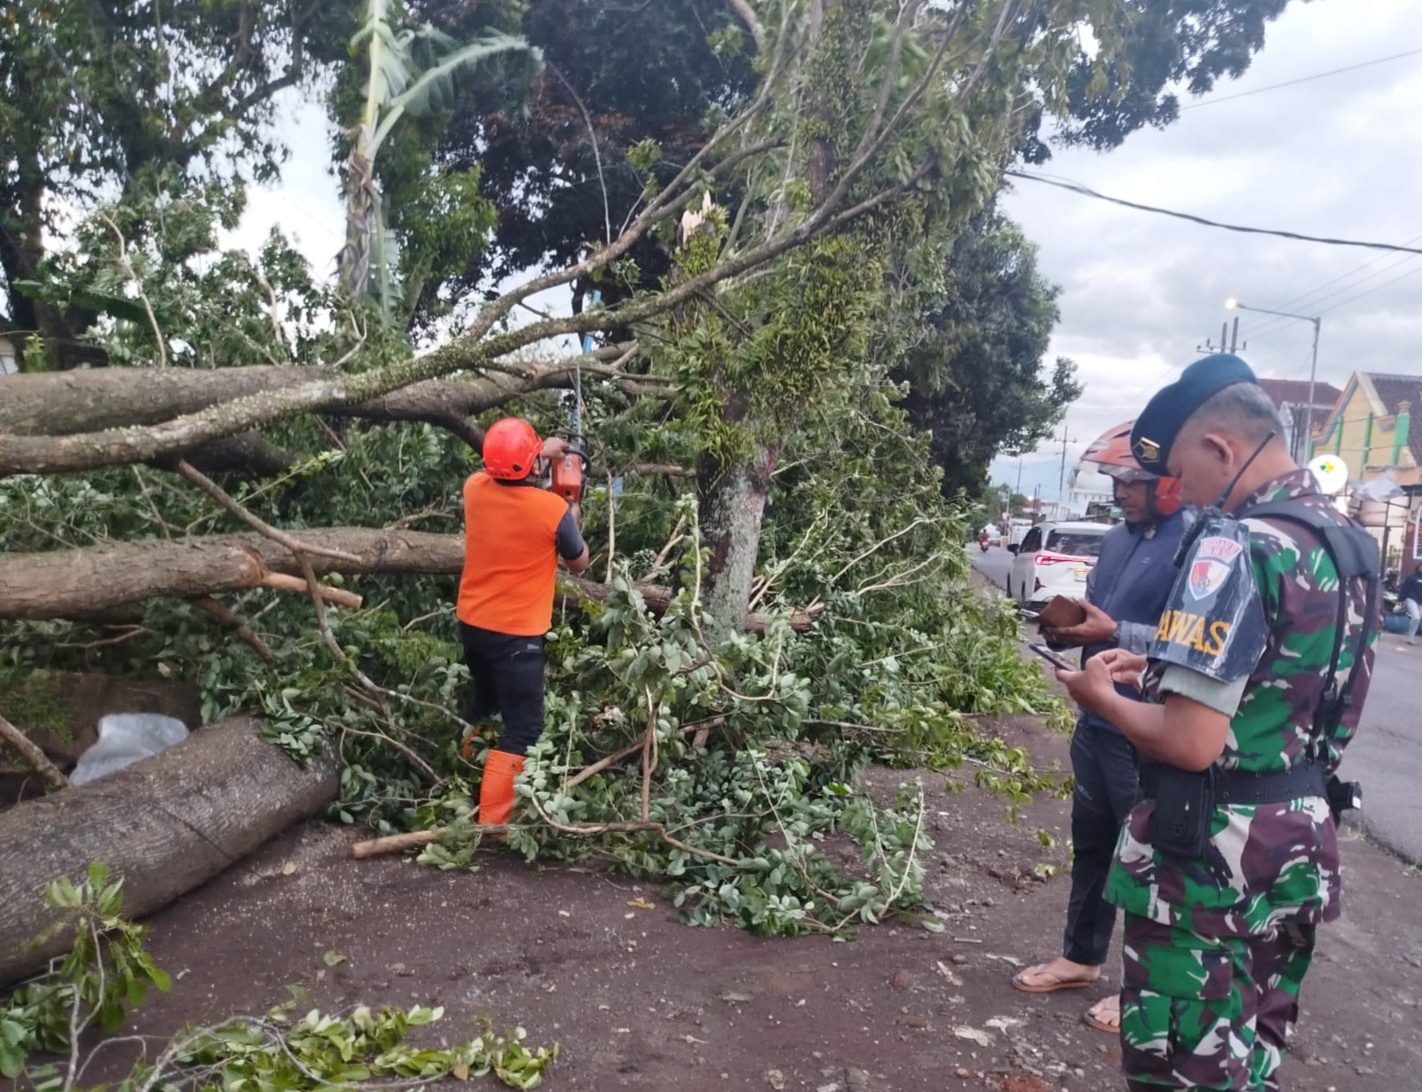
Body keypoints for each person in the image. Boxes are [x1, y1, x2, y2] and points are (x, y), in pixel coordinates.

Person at [1058, 355, 1378, 1092]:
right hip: (1297, 847)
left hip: (1208, 862)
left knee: (1184, 1071)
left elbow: (1191, 741)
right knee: (1252, 1062)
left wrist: (1102, 700)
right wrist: (1160, 664)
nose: (1182, 492)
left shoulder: (1235, 544)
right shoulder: (1345, 542)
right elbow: (1286, 679)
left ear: (1221, 449)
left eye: (1181, 471)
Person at [1011, 423, 1193, 1036]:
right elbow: (1099, 617)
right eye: (1114, 479)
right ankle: (1081, 957)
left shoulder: (1197, 544)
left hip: (1149, 726)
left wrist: (1117, 634)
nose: (1120, 491)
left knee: (1150, 859)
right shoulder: (1115, 541)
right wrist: (1067, 632)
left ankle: (1146, 989)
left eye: (1132, 481)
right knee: (1091, 844)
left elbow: (1197, 644)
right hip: (1097, 719)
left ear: (1169, 480)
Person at [457, 417, 590, 826]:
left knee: (485, 704)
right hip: (517, 639)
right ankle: (493, 825)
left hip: (473, 624)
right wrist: (573, 512)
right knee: (524, 728)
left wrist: (537, 453)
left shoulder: (474, 489)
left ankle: (464, 773)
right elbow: (580, 562)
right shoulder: (552, 510)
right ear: (532, 465)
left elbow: (494, 472)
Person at [1399, 567, 1422, 644]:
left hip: (1420, 600)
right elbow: (1405, 587)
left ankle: (1411, 636)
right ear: (1418, 567)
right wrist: (1401, 599)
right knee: (1416, 617)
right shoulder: (1411, 577)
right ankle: (1410, 638)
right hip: (1411, 598)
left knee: (1417, 618)